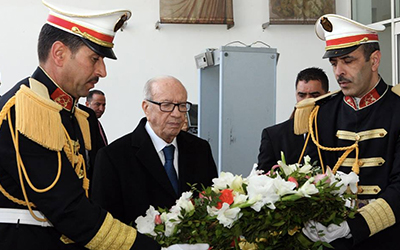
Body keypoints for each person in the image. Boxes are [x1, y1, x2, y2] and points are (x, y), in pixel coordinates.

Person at [0, 1, 159, 249]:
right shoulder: (23, 112)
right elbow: (68, 209)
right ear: (59, 54)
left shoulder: (79, 117)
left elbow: (94, 199)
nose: (103, 71)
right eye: (94, 58)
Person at [301, 14, 400, 250]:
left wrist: (353, 226)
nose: (338, 72)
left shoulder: (397, 110)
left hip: (387, 240)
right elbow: (310, 172)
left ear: (374, 61)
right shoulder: (322, 113)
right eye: (334, 63)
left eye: (348, 61)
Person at [90, 75, 218, 226]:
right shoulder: (113, 157)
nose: (177, 114)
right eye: (166, 105)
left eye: (182, 105)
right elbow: (106, 223)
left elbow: (212, 203)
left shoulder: (200, 149)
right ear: (146, 108)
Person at [257, 67, 329, 172]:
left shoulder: (339, 131)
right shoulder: (273, 136)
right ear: (296, 95)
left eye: (314, 95)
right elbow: (264, 177)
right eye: (302, 95)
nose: (307, 101)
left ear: (327, 95)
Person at [79, 90, 107, 179]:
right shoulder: (83, 124)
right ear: (87, 104)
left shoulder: (97, 124)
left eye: (104, 105)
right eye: (97, 104)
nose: (101, 109)